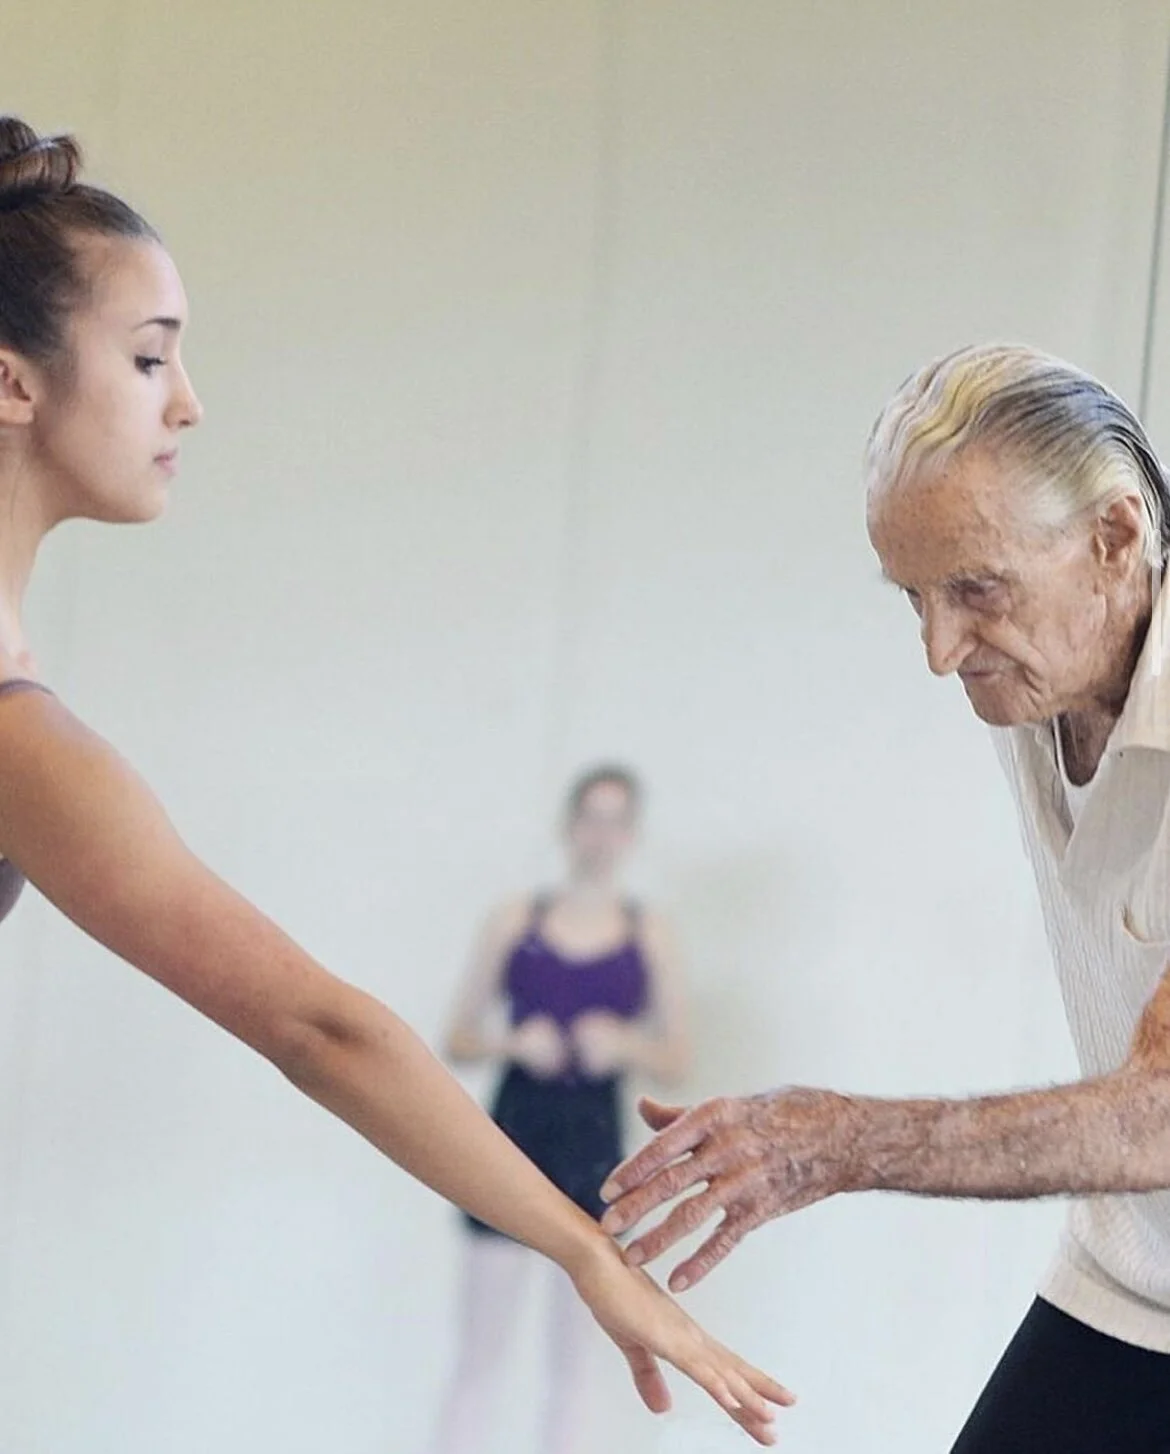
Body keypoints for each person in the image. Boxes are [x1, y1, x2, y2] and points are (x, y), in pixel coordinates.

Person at [0, 115, 792, 1445]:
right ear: (13, 383)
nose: (188, 401)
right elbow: (320, 1029)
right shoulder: (23, 747)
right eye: (148, 356)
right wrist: (585, 1248)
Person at [600, 344, 1170, 1452]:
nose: (940, 650)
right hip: (1131, 1275)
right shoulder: (1045, 674)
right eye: (914, 596)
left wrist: (845, 1140)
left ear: (1115, 535)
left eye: (976, 590)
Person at [430, 764, 691, 1453]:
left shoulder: (647, 931)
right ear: (569, 825)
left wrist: (625, 1043)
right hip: (512, 1138)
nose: (600, 835)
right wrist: (513, 1042)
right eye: (590, 818)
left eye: (615, 822)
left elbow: (677, 1055)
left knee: (574, 1366)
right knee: (479, 1357)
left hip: (594, 1150)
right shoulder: (517, 919)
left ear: (631, 835)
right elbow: (457, 1036)